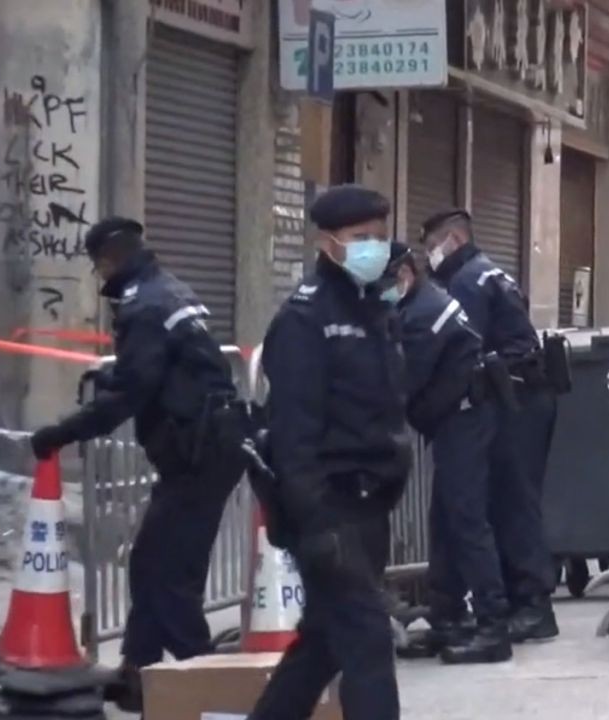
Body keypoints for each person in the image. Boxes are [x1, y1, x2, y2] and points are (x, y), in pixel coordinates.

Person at [28, 217, 245, 712]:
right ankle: (137, 672)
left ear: (107, 261)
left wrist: (62, 432)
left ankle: (206, 684)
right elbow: (155, 372)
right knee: (153, 562)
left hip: (199, 451)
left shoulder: (144, 307)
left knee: (168, 575)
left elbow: (131, 390)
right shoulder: (169, 290)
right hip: (208, 444)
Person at [249, 186, 409, 720]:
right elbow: (294, 432)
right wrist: (315, 521)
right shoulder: (304, 319)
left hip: (369, 502)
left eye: (380, 238)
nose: (375, 248)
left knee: (322, 642)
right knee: (367, 640)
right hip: (329, 507)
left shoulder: (372, 311)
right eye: (361, 239)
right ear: (328, 242)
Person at [420, 209, 559, 642]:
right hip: (520, 395)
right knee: (507, 500)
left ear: (455, 240)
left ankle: (533, 605)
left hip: (513, 397)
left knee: (512, 502)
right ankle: (518, 599)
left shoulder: (466, 282)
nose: (429, 257)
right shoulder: (485, 273)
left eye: (432, 246)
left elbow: (458, 345)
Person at [381, 242, 512, 665]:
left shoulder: (424, 314)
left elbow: (401, 383)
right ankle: (448, 618)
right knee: (445, 521)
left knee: (467, 520)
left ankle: (493, 626)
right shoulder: (418, 302)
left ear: (404, 273)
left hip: (465, 417)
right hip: (456, 417)